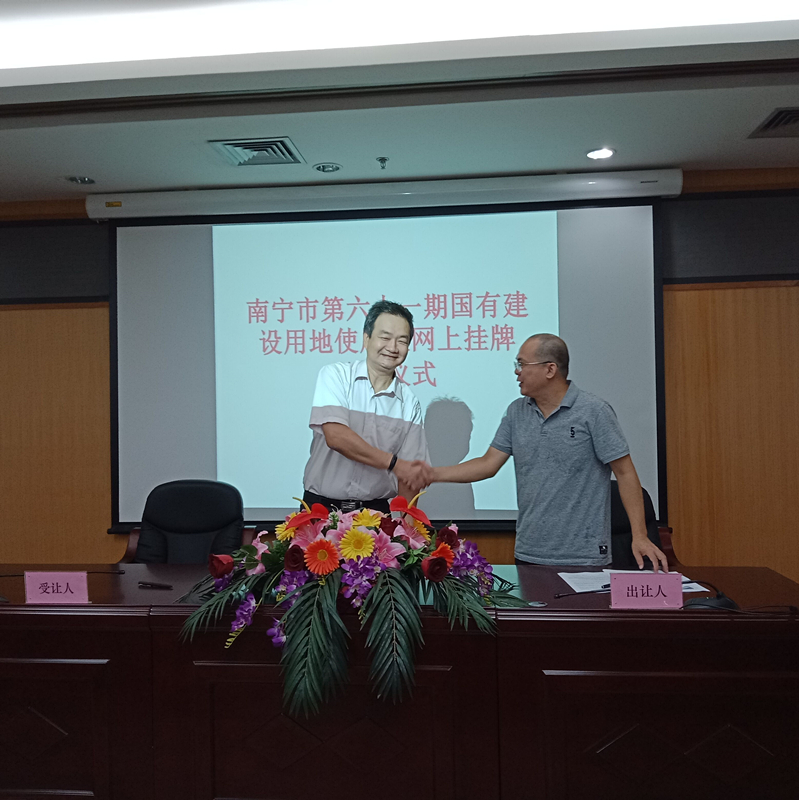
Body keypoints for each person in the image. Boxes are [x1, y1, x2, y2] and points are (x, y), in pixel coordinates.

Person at [428, 333, 668, 570]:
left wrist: (640, 535)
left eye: (522, 364)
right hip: (529, 552)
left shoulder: (594, 412)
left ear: (550, 369)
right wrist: (431, 474)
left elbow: (625, 473)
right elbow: (488, 464)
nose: (517, 372)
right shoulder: (516, 412)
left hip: (584, 557)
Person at [302, 300, 431, 514]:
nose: (393, 347)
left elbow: (409, 476)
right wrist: (393, 463)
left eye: (402, 341)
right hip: (321, 510)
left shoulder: (409, 402)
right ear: (366, 338)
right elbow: (336, 436)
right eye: (385, 337)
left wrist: (409, 528)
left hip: (375, 515)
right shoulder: (336, 376)